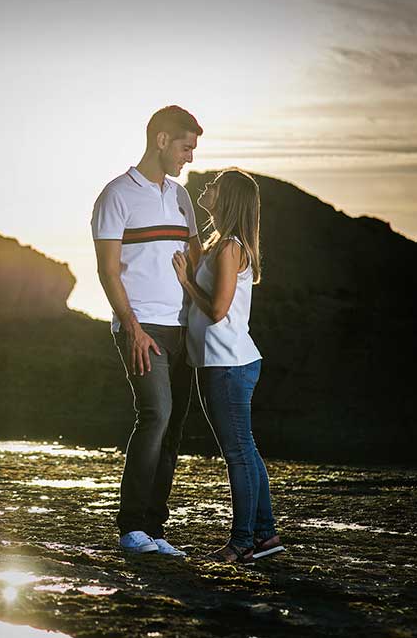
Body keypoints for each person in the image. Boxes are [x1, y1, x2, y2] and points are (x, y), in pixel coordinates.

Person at [91, 105, 203, 555]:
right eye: (184, 146)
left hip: (183, 328)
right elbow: (107, 270)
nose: (189, 157)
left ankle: (156, 530)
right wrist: (133, 328)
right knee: (155, 414)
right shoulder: (116, 194)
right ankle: (132, 526)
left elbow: (197, 261)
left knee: (174, 425)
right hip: (143, 327)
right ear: (161, 140)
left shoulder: (181, 198)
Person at [171, 168, 284, 563]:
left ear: (229, 198)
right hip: (223, 362)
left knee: (238, 453)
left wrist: (186, 281)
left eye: (214, 185)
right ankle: (266, 537)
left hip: (228, 365)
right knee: (245, 450)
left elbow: (217, 311)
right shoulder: (221, 243)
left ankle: (241, 543)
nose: (207, 187)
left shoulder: (232, 246)